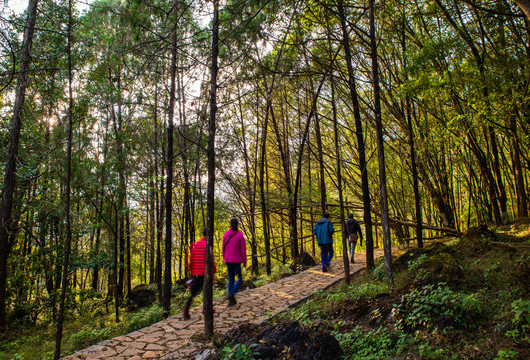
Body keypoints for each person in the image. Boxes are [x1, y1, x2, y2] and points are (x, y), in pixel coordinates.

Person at [183, 227, 216, 319]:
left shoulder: (195, 244)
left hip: (195, 273)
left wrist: (190, 270)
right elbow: (211, 260)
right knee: (207, 291)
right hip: (205, 273)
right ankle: (207, 308)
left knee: (193, 293)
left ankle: (186, 309)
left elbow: (190, 259)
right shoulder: (208, 245)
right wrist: (213, 272)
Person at [222, 218, 247, 306]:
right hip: (236, 261)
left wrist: (224, 257)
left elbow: (223, 247)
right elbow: (243, 249)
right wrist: (244, 261)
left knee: (231, 279)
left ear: (230, 224)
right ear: (237, 224)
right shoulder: (240, 235)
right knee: (240, 279)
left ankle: (231, 300)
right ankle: (231, 293)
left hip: (228, 260)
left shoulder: (226, 235)